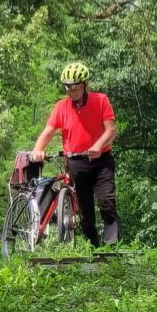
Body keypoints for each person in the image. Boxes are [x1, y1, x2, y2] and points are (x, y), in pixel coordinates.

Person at [30, 62, 119, 246]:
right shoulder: (62, 107)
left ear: (85, 85)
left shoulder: (100, 100)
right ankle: (94, 250)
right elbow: (49, 130)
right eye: (68, 88)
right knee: (85, 215)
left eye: (76, 88)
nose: (72, 92)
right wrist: (38, 149)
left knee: (106, 203)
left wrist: (98, 146)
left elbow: (111, 130)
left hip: (101, 161)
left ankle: (112, 247)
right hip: (77, 163)